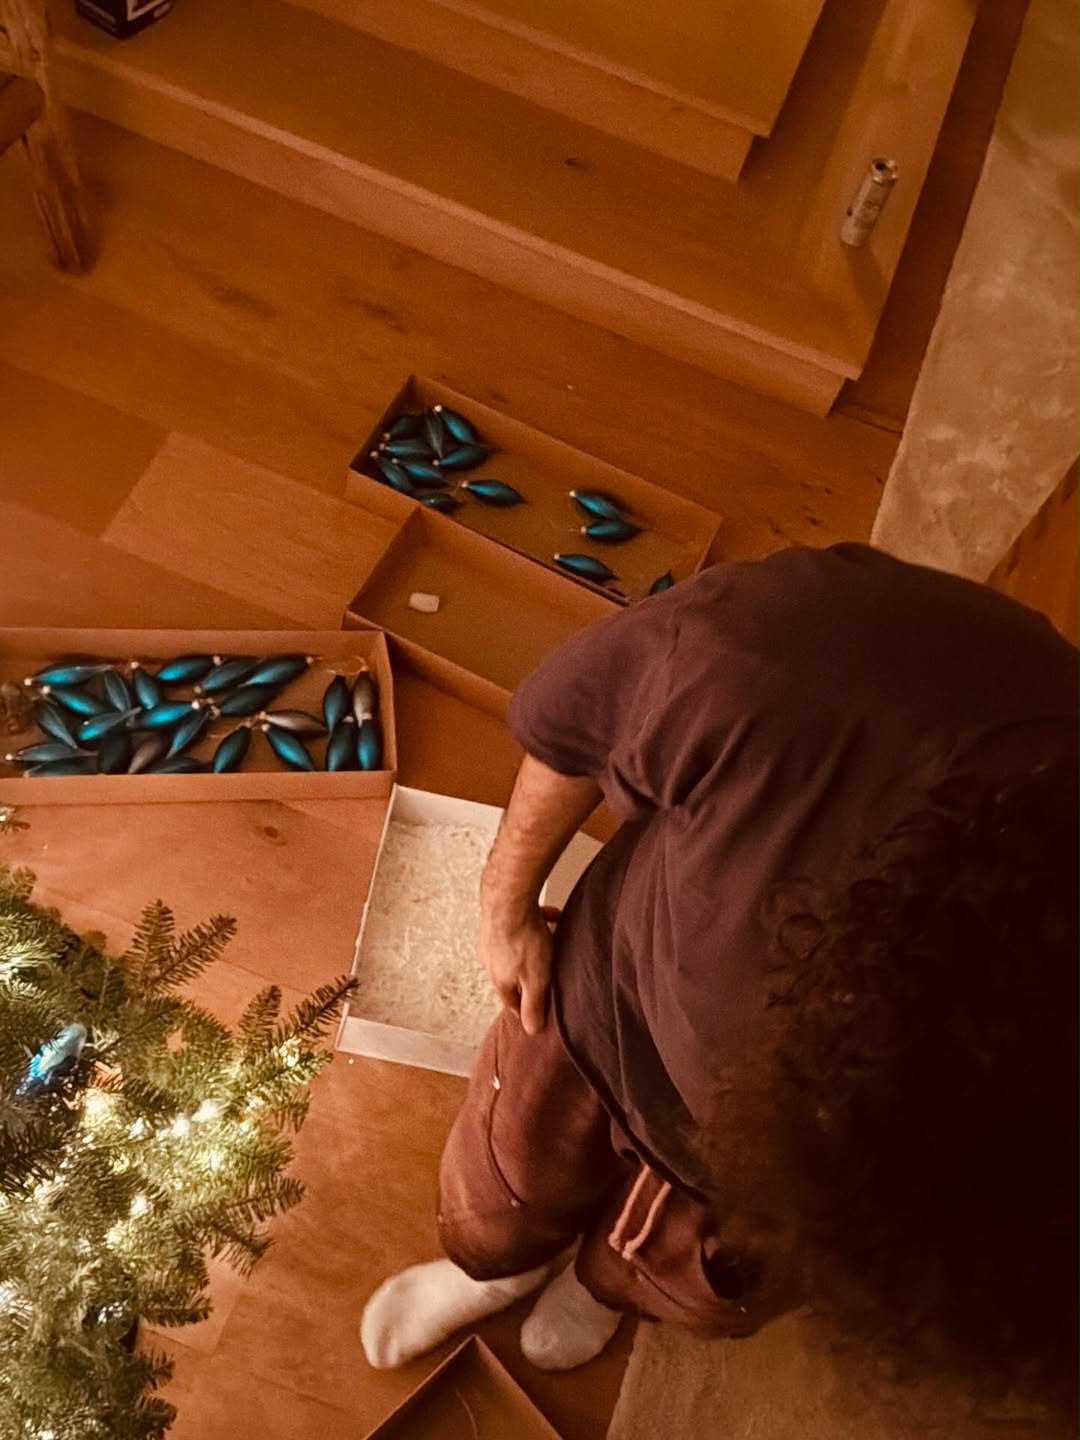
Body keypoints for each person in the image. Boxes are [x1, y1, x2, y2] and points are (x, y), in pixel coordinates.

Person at [361, 543, 1080, 1418]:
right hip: (604, 1007)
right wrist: (503, 903)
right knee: (506, 1183)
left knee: (697, 1277)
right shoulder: (788, 653)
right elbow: (578, 717)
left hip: (785, 1186)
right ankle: (504, 1267)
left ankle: (604, 1286)